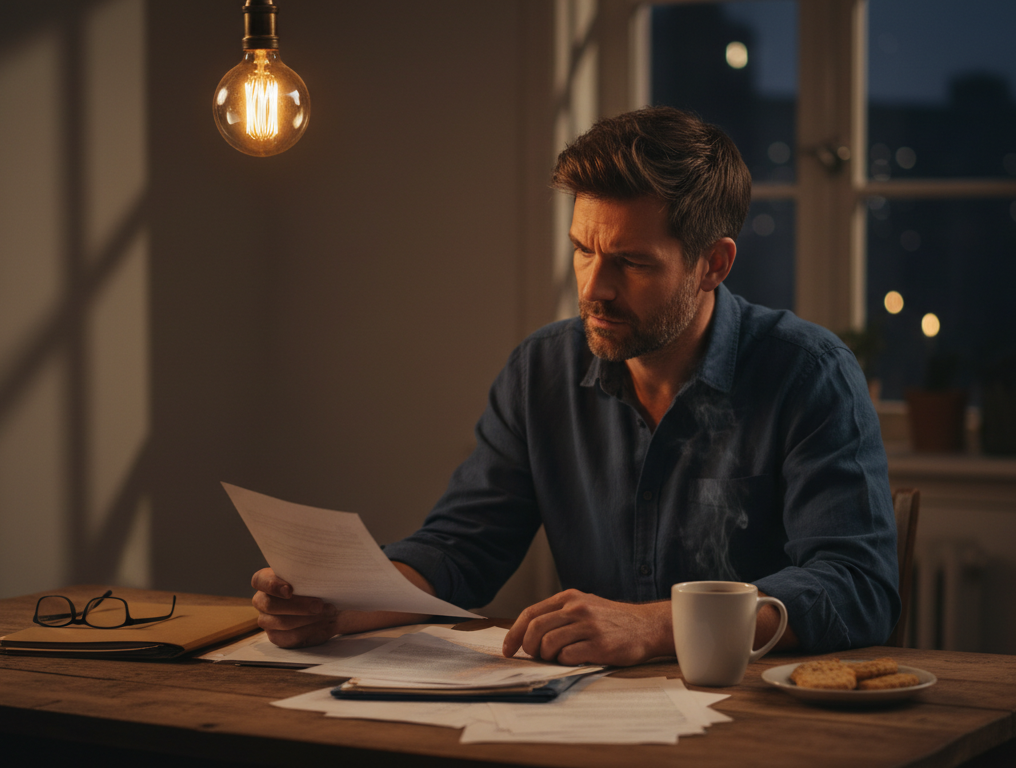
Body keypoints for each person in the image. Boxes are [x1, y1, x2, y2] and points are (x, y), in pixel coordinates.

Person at [251, 106, 899, 665]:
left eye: (631, 262)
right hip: (585, 720)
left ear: (713, 264)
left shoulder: (809, 374)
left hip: (757, 722)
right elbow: (463, 548)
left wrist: (653, 626)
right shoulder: (541, 371)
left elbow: (857, 589)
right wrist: (342, 604)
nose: (594, 289)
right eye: (584, 250)